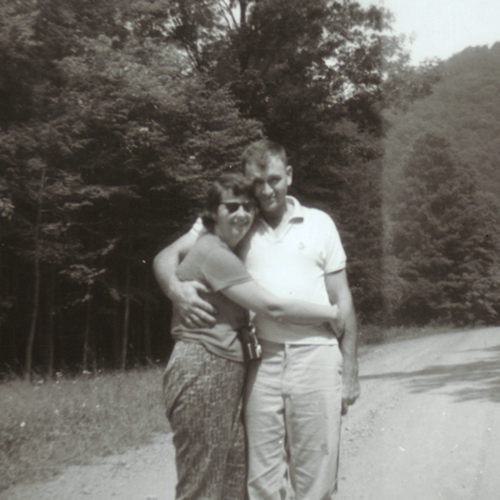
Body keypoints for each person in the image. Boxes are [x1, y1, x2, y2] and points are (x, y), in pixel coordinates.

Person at [154, 140, 360, 499]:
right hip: (261, 361)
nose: (266, 190)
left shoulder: (318, 223)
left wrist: (352, 370)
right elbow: (168, 255)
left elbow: (342, 298)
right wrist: (175, 288)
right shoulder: (238, 221)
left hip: (316, 353)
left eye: (274, 179)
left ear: (289, 176)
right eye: (257, 182)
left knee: (315, 476)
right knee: (259, 480)